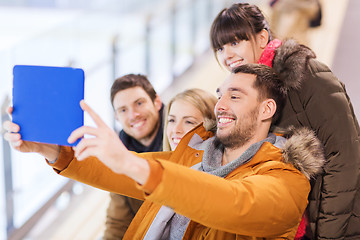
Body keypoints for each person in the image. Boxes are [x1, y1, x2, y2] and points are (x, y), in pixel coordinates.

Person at [3, 64, 325, 239]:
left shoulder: (287, 175)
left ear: (267, 108)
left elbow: (236, 202)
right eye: (219, 94)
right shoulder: (197, 154)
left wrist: (135, 165)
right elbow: (119, 173)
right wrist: (53, 151)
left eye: (235, 96)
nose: (220, 105)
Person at [209, 3, 360, 239]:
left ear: (262, 38)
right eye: (219, 48)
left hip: (335, 222)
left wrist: (328, 234)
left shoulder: (308, 76)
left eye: (235, 43)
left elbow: (345, 157)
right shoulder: (250, 91)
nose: (226, 55)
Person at [105, 74, 164, 239]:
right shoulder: (118, 156)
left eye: (139, 103)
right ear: (117, 117)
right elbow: (118, 222)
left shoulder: (183, 134)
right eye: (123, 110)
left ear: (157, 102)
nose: (133, 115)